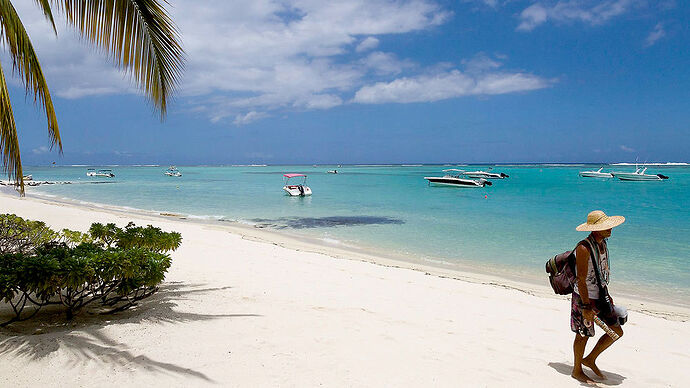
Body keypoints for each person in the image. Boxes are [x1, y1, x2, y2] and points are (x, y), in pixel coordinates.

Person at [570, 210, 626, 382]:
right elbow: (581, 279)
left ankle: (590, 359)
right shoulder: (583, 248)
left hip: (600, 296)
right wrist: (586, 307)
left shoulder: (602, 244)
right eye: (605, 226)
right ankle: (577, 369)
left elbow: (600, 273)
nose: (610, 229)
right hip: (584, 298)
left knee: (616, 331)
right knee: (583, 333)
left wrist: (607, 295)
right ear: (595, 229)